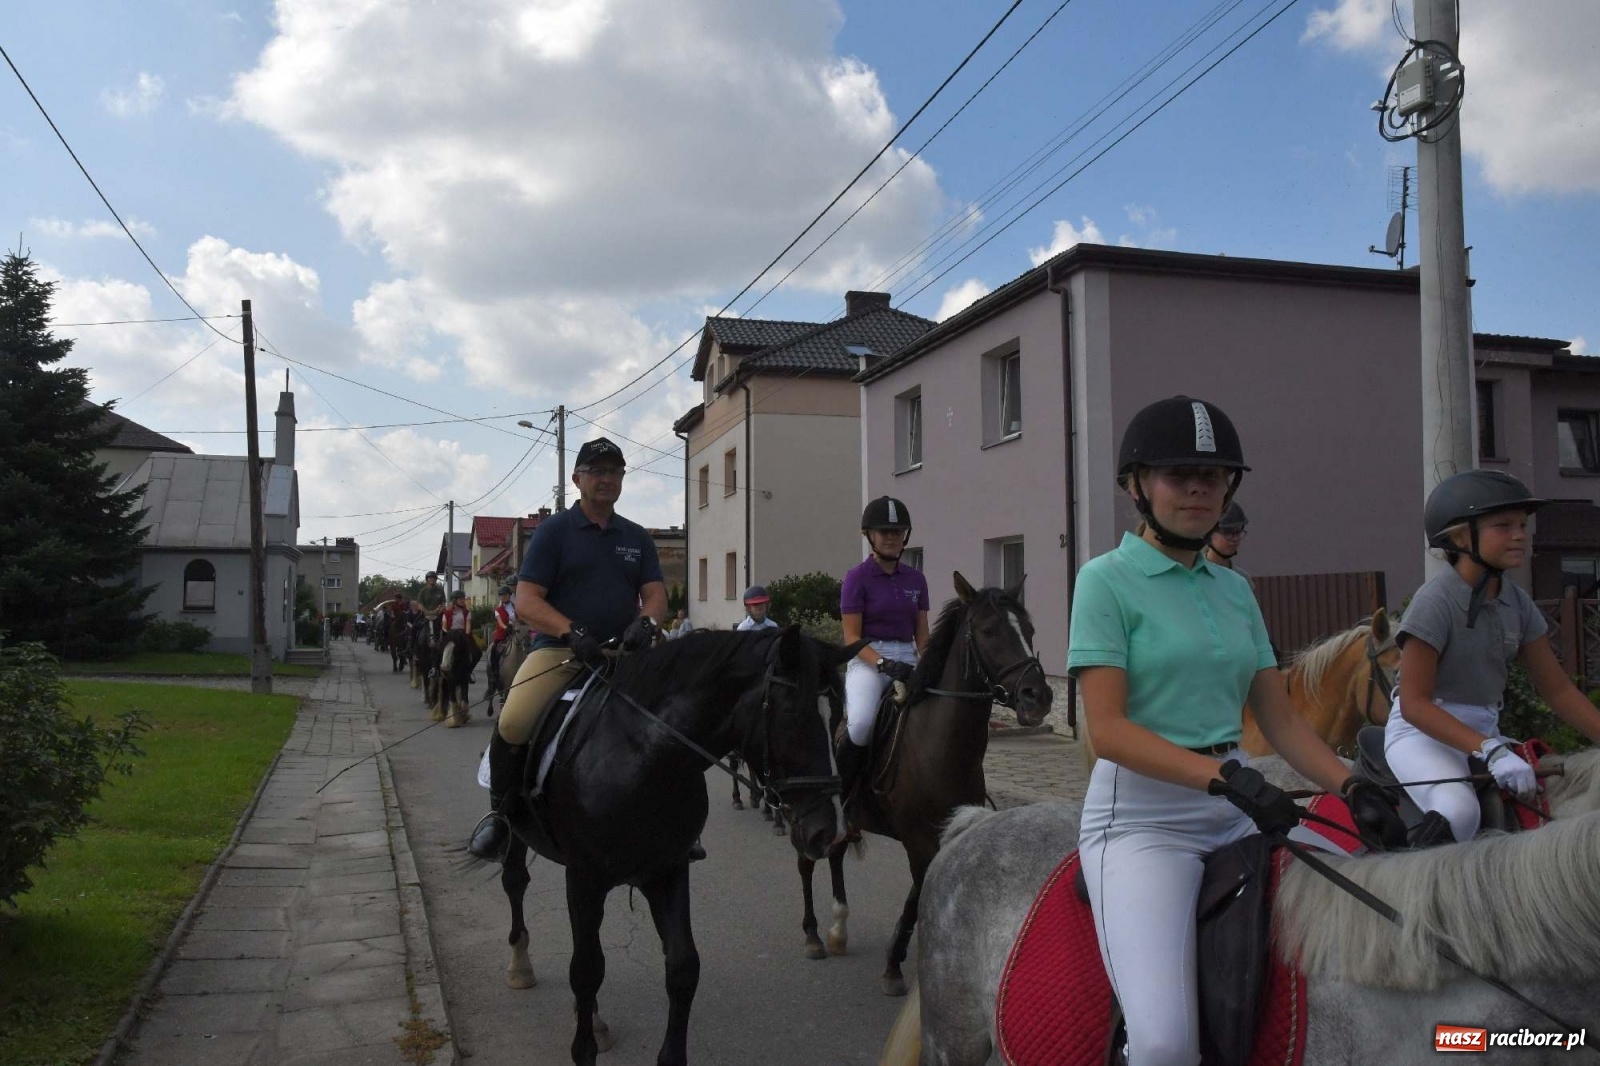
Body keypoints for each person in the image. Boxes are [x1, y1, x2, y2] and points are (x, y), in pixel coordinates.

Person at [1070, 395, 1404, 1066]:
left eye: (1215, 476)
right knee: (1165, 1046)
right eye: (1178, 474)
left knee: (1382, 918)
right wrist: (1230, 779)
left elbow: (1279, 720)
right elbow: (1107, 731)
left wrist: (1354, 784)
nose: (1200, 488)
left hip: (1233, 808)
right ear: (1137, 485)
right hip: (1142, 822)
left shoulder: (1234, 590)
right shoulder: (1104, 582)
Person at [468, 437, 669, 860]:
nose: (606, 479)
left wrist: (646, 624)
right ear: (577, 478)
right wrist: (571, 632)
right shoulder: (554, 533)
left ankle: (676, 822)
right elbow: (527, 601)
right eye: (597, 472)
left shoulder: (636, 537)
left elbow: (655, 595)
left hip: (624, 655)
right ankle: (502, 818)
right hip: (562, 652)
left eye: (614, 472)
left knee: (674, 719)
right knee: (514, 721)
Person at [1388, 470, 1600, 844]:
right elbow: (1414, 705)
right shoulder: (1434, 602)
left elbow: (1559, 692)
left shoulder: (1516, 602)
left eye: (1522, 524)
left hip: (1485, 734)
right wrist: (1491, 751)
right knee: (1459, 811)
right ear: (1459, 536)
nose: (1520, 534)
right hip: (1423, 736)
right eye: (1504, 525)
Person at [838, 496, 930, 797]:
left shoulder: (916, 579)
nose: (891, 537)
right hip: (868, 659)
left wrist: (929, 665)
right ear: (870, 535)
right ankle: (845, 797)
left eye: (897, 531)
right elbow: (851, 637)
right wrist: (882, 664)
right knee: (862, 724)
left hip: (908, 655)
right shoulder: (856, 578)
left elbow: (923, 637)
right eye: (884, 531)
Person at [1201, 500, 1249, 577]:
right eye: (1228, 533)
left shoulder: (1242, 578)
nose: (1235, 539)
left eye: (1238, 532)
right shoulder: (1194, 575)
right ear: (1209, 533)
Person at [415, 571, 446, 638]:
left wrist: (437, 612)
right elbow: (420, 604)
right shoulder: (423, 591)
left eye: (434, 578)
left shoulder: (440, 591)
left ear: (436, 579)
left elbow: (443, 604)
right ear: (427, 580)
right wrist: (428, 612)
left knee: (446, 630)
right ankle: (412, 645)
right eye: (430, 578)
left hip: (438, 615)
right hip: (425, 615)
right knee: (414, 628)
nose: (432, 579)